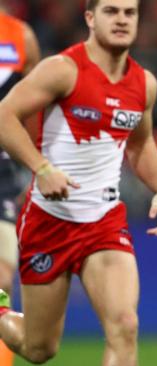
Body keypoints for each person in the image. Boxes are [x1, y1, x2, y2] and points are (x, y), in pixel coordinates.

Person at [0, 0, 157, 365]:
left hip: (104, 221)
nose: (122, 19)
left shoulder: (144, 83)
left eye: (130, 12)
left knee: (125, 325)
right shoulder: (62, 70)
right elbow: (4, 116)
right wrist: (42, 169)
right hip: (49, 221)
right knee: (38, 349)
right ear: (90, 19)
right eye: (111, 11)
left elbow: (139, 143)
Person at [0, 4, 40, 366]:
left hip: (2, 170)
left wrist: (38, 164)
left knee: (1, 283)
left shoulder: (20, 36)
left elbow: (37, 106)